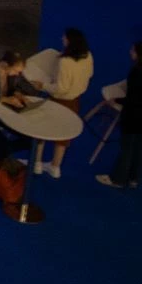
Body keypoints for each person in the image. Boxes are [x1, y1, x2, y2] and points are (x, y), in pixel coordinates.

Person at [96, 41, 142, 190]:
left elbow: (133, 98)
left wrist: (116, 100)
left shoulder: (137, 72)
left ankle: (118, 179)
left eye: (132, 50)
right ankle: (134, 179)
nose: (130, 52)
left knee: (127, 148)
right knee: (141, 148)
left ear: (138, 54)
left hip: (135, 118)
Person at [40, 28, 93, 178]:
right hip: (74, 101)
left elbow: (61, 88)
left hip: (59, 100)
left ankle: (36, 163)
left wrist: (43, 86)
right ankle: (55, 167)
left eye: (64, 37)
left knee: (41, 130)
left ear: (70, 41)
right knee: (63, 135)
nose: (62, 39)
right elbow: (90, 74)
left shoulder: (65, 62)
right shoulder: (88, 55)